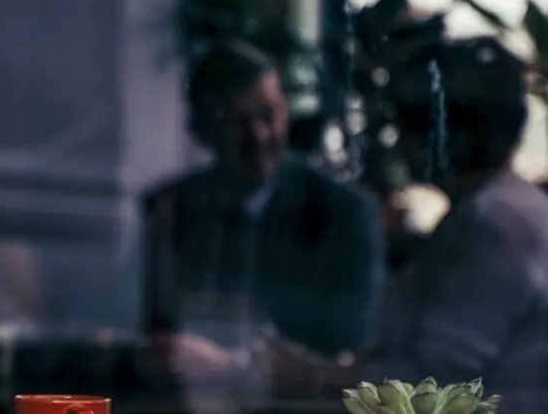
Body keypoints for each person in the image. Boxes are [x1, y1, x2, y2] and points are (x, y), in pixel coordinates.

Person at [143, 43, 385, 374]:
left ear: (287, 112)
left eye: (268, 115)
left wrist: (233, 368)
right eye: (236, 122)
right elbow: (157, 333)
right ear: (202, 130)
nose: (258, 136)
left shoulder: (343, 215)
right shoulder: (171, 208)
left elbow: (347, 351)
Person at [363, 35, 548, 411]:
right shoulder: (503, 207)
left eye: (410, 125)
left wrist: (302, 376)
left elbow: (436, 387)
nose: (397, 142)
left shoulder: (494, 226)